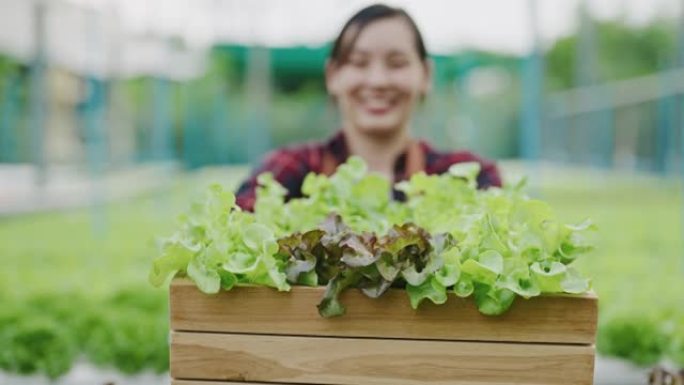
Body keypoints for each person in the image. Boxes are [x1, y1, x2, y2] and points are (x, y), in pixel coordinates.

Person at [236, 3, 501, 211]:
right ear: (332, 75)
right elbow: (236, 235)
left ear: (426, 75)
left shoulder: (469, 177)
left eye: (397, 63)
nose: (377, 81)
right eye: (359, 62)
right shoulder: (286, 170)